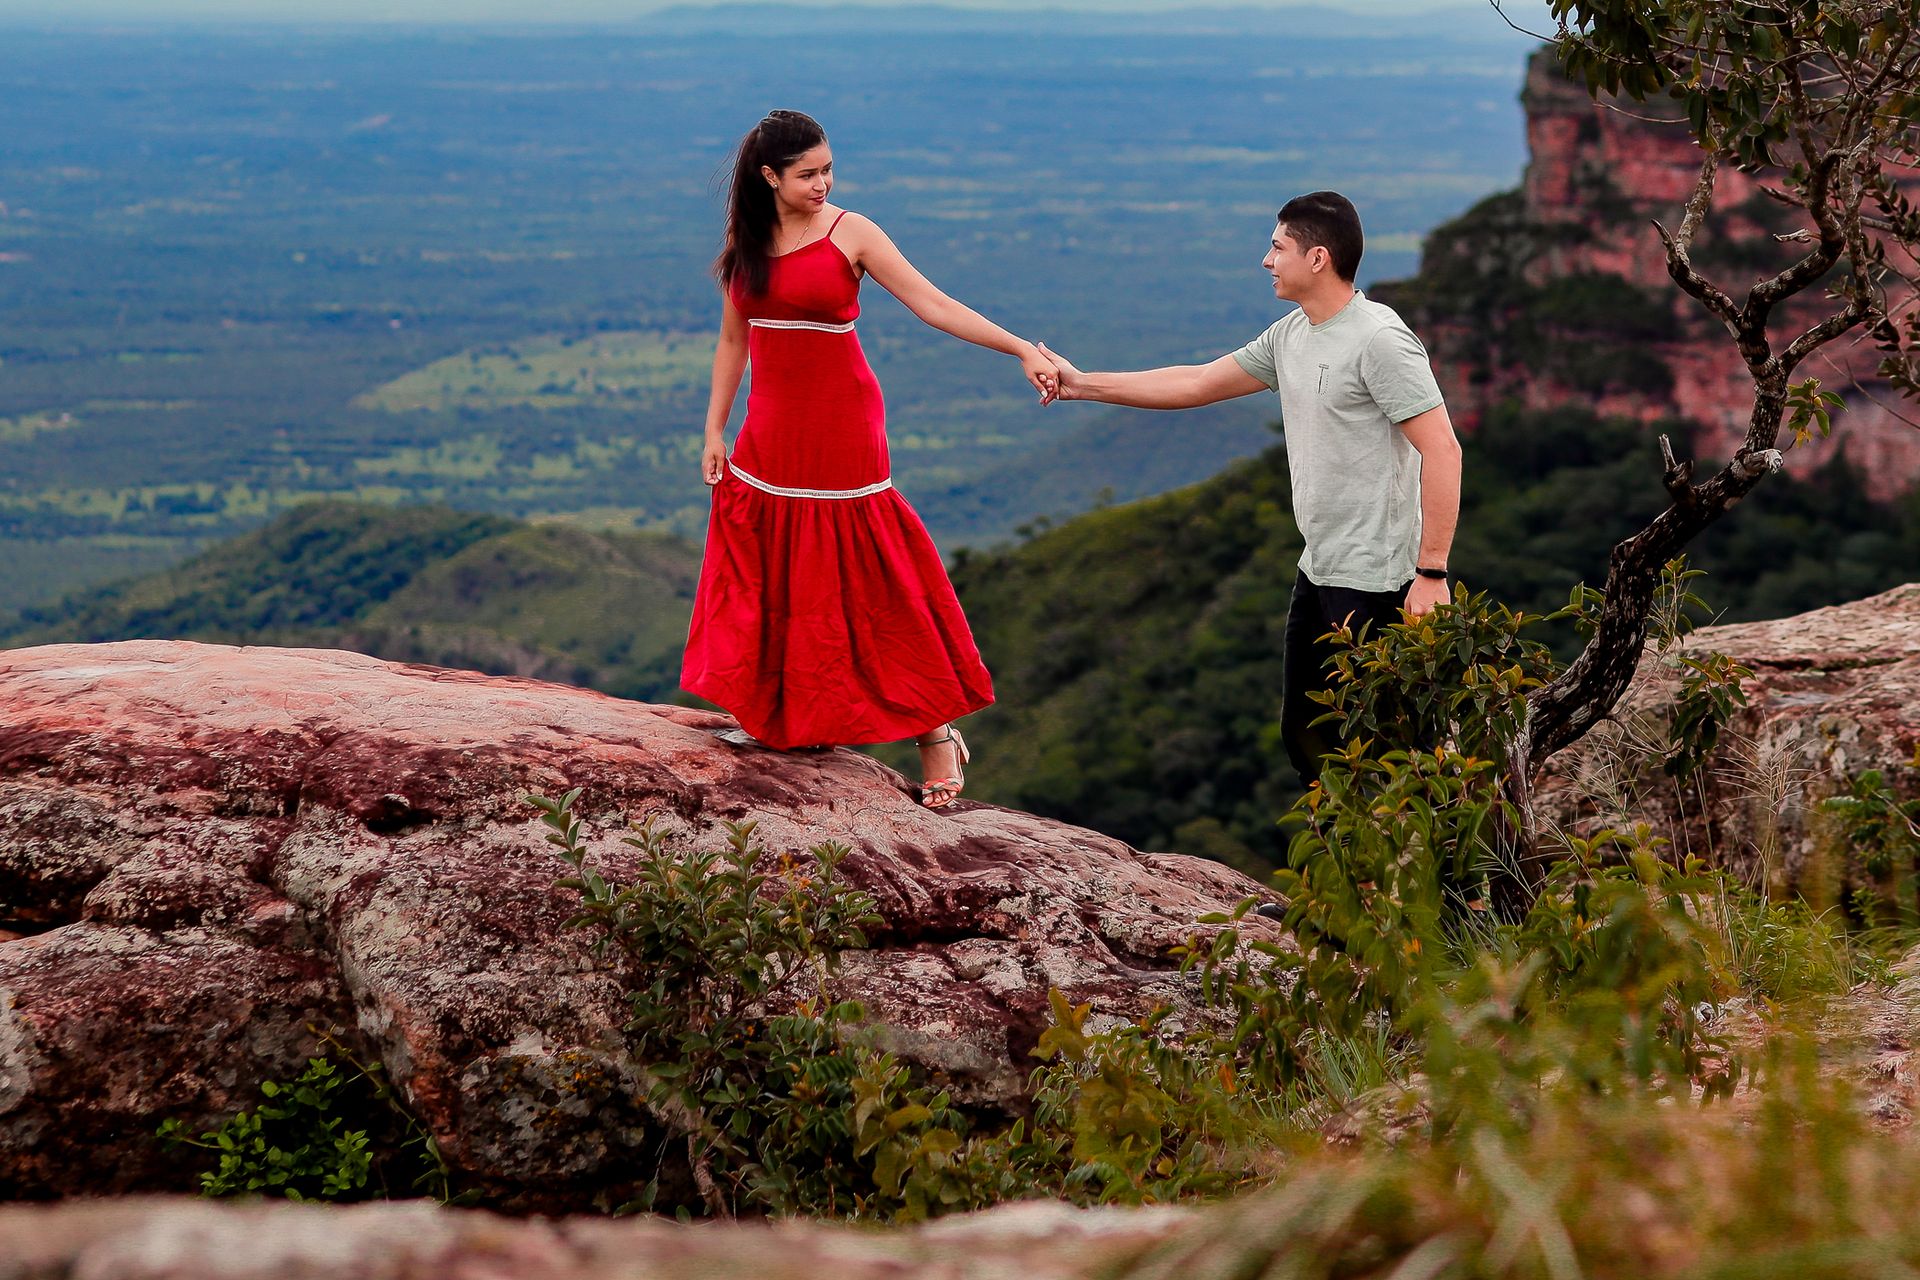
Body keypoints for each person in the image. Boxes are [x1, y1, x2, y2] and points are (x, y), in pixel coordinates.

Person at [681, 110, 1057, 808]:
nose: (824, 183)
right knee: (777, 564)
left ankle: (934, 729)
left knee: (866, 567)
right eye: (807, 174)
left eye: (828, 169)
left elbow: (933, 304)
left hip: (844, 422)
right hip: (770, 427)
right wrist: (714, 429)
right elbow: (734, 340)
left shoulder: (853, 232)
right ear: (769, 176)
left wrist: (1021, 348)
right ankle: (787, 715)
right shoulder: (749, 240)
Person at [1037, 191, 1462, 787]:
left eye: (1277, 246)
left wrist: (1432, 573)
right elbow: (1197, 382)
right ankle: (1355, 868)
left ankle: (1418, 873)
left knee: (1387, 747)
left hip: (1380, 580)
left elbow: (1442, 449)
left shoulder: (1379, 340)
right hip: (1321, 569)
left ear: (1317, 258)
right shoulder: (1293, 333)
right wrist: (1083, 385)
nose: (1266, 261)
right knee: (1309, 736)